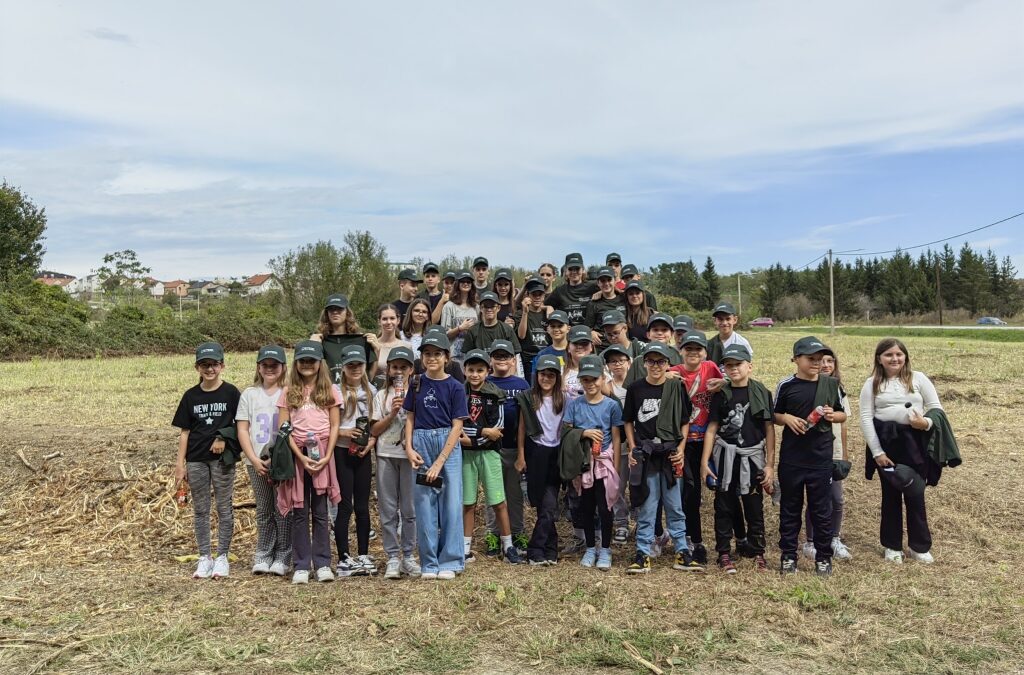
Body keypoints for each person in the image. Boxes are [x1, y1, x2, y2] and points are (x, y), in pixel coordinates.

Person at [859, 338, 944, 565]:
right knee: (891, 494)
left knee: (916, 492)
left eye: (898, 354)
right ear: (880, 359)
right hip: (887, 442)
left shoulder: (919, 379)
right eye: (888, 355)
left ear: (905, 356)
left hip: (914, 441)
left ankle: (919, 546)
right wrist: (877, 452)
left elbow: (936, 408)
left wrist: (924, 423)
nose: (894, 359)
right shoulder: (872, 383)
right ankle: (892, 545)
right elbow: (866, 417)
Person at [623, 342, 702, 574]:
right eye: (651, 361)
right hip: (647, 454)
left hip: (670, 454)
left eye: (661, 361)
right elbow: (628, 420)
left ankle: (681, 551)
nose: (656, 366)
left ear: (668, 364)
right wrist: (633, 448)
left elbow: (685, 421)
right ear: (644, 363)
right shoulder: (636, 388)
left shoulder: (676, 387)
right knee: (648, 505)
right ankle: (643, 553)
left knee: (675, 505)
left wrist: (681, 448)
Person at [774, 336, 847, 577]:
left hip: (821, 458)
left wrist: (831, 415)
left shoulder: (830, 384)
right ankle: (788, 555)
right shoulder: (786, 385)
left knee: (821, 510)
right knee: (790, 508)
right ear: (796, 359)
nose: (817, 363)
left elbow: (842, 415)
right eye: (811, 358)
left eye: (821, 359)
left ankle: (823, 557)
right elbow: (773, 414)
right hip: (792, 458)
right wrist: (786, 419)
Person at [701, 344, 775, 573]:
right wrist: (705, 462)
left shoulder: (761, 391)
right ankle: (723, 551)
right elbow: (712, 428)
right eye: (729, 365)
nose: (733, 369)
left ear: (749, 366)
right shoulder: (722, 394)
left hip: (752, 457)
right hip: (725, 456)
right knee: (723, 504)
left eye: (738, 364)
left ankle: (757, 549)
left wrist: (770, 464)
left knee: (754, 504)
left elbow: (769, 428)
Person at [172, 342, 241, 580]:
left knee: (224, 507)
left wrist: (223, 436)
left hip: (222, 460)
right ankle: (204, 557)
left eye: (214, 364)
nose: (209, 369)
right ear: (197, 368)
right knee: (201, 510)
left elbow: (241, 424)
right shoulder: (191, 396)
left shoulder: (231, 393)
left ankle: (222, 556)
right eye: (204, 365)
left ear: (222, 365)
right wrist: (180, 464)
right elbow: (185, 432)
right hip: (196, 459)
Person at [276, 340, 342, 584]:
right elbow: (284, 428)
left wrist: (327, 455)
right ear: (296, 364)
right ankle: (302, 564)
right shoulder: (288, 391)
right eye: (302, 360)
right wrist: (300, 455)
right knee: (300, 510)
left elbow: (335, 424)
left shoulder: (329, 390)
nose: (306, 365)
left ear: (319, 363)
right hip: (297, 454)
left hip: (323, 452)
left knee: (321, 511)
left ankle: (323, 562)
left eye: (311, 361)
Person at [404, 332, 469, 580]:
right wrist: (409, 448)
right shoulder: (416, 382)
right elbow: (410, 416)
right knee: (423, 504)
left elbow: (457, 425)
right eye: (427, 353)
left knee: (451, 502)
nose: (431, 358)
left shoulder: (455, 386)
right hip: (421, 441)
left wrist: (440, 460)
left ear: (446, 357)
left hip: (447, 444)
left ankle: (450, 560)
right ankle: (429, 562)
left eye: (437, 354)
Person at [459, 350, 525, 564]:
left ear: (488, 371)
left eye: (480, 370)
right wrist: (481, 433)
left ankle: (508, 546)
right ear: (465, 371)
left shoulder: (496, 394)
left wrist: (477, 437)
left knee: (498, 500)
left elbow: (498, 429)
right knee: (468, 502)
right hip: (466, 455)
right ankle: (465, 548)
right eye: (471, 370)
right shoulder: (459, 393)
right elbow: (459, 427)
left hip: (490, 453)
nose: (475, 375)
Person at [668, 330, 726, 565]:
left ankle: (731, 540)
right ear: (680, 351)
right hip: (684, 442)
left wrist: (724, 382)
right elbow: (653, 375)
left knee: (719, 488)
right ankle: (694, 541)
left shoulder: (711, 367)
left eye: (698, 349)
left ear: (705, 352)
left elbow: (734, 378)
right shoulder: (675, 372)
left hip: (708, 439)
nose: (693, 353)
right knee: (688, 493)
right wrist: (667, 376)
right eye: (688, 349)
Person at [236, 345, 292, 577]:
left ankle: (283, 554)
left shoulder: (289, 392)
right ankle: (264, 552)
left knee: (283, 508)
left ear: (283, 368)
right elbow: (242, 429)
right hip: (256, 461)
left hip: (282, 462)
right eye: (265, 365)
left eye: (274, 365)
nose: (270, 369)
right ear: (258, 367)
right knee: (264, 508)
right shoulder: (249, 394)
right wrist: (252, 459)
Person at [562, 355, 622, 571]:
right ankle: (589, 547)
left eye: (594, 379)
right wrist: (584, 433)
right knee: (586, 506)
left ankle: (605, 548)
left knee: (605, 507)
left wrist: (615, 465)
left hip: (604, 463)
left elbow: (616, 436)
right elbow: (566, 430)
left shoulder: (612, 406)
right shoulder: (575, 405)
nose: (590, 384)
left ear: (602, 378)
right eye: (585, 380)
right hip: (583, 464)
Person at [370, 346, 421, 579]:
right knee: (388, 509)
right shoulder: (381, 396)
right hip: (386, 455)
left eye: (403, 367)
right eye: (395, 367)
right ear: (388, 369)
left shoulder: (418, 391)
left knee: (409, 510)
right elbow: (374, 429)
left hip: (409, 457)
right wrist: (391, 413)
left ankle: (408, 555)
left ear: (411, 369)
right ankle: (392, 556)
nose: (399, 371)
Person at [332, 345, 379, 577]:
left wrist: (370, 443)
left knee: (362, 506)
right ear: (343, 367)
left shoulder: (371, 389)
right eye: (350, 365)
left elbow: (375, 424)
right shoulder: (334, 391)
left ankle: (362, 554)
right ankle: (343, 557)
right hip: (341, 453)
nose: (355, 369)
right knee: (345, 505)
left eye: (359, 364)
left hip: (362, 452)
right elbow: (327, 424)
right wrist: (343, 432)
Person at [803, 348, 852, 561]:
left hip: (833, 450)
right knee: (816, 497)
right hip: (811, 450)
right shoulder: (805, 387)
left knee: (836, 499)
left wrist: (844, 454)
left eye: (830, 361)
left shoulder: (838, 389)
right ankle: (811, 541)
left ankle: (834, 537)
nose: (825, 365)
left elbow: (843, 423)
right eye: (821, 361)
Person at [516, 355, 565, 565]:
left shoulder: (564, 399)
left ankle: (535, 549)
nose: (546, 378)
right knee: (542, 504)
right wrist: (520, 454)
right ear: (537, 376)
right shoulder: (529, 398)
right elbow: (522, 428)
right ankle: (551, 549)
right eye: (543, 374)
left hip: (556, 454)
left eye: (551, 375)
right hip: (536, 452)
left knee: (549, 505)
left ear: (557, 378)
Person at [484, 340, 531, 557]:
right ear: (491, 359)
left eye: (506, 356)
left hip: (514, 447)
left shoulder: (522, 385)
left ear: (513, 360)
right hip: (490, 447)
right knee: (494, 493)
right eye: (497, 356)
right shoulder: (483, 382)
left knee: (514, 493)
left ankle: (518, 531)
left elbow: (528, 417)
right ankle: (493, 533)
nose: (502, 360)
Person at [602, 344, 634, 545]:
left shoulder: (637, 385)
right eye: (613, 361)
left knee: (639, 487)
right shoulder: (607, 388)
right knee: (618, 486)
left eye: (621, 360)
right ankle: (622, 522)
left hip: (637, 443)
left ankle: (642, 522)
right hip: (617, 445)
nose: (618, 365)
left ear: (629, 362)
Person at [312, 293, 378, 383]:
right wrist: (312, 346)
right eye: (331, 309)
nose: (335, 312)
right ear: (326, 313)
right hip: (328, 394)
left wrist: (377, 350)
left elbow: (370, 375)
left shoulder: (361, 340)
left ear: (347, 312)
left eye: (339, 308)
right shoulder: (319, 340)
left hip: (355, 394)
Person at [462, 290, 524, 376]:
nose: (489, 309)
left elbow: (515, 357)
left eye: (492, 306)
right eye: (486, 306)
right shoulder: (473, 331)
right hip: (481, 377)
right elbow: (467, 358)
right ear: (481, 308)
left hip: (503, 376)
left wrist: (510, 378)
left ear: (498, 308)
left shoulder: (507, 330)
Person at [517, 276, 553, 383]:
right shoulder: (521, 313)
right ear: (528, 295)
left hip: (546, 356)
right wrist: (525, 313)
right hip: (528, 359)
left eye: (540, 294)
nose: (537, 297)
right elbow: (521, 335)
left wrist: (549, 309)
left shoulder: (548, 313)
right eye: (534, 294)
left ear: (544, 296)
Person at [548, 252, 598, 325]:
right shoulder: (559, 291)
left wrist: (601, 292)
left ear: (583, 270)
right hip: (568, 333)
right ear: (566, 271)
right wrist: (547, 307)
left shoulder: (593, 286)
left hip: (588, 333)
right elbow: (542, 305)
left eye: (577, 268)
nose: (574, 272)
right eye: (570, 269)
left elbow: (611, 288)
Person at [440, 271, 478, 362]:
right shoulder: (449, 306)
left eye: (468, 282)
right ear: (457, 284)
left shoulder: (476, 307)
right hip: (454, 357)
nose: (466, 283)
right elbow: (444, 335)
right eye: (462, 281)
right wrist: (460, 328)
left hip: (473, 356)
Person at [371, 303, 414, 377]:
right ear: (379, 321)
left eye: (392, 318)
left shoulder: (406, 346)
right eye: (385, 319)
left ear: (398, 320)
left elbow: (409, 374)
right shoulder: (373, 345)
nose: (388, 322)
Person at [584, 266, 625, 341]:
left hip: (622, 345)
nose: (606, 283)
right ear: (598, 283)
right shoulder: (593, 303)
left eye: (609, 280)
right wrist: (591, 332)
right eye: (603, 281)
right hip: (601, 345)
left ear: (615, 280)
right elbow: (587, 327)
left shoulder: (624, 299)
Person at [706, 302, 753, 366]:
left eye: (728, 319)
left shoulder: (742, 343)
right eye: (720, 319)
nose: (724, 323)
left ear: (735, 320)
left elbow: (747, 368)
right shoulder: (709, 345)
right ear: (714, 321)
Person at [533, 310, 570, 375]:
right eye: (553, 326)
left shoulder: (574, 352)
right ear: (548, 329)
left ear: (568, 329)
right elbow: (535, 380)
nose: (556, 329)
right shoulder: (542, 355)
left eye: (560, 326)